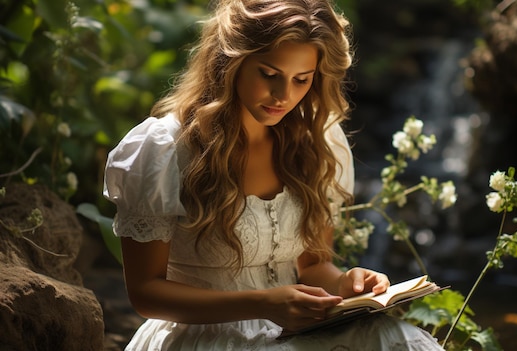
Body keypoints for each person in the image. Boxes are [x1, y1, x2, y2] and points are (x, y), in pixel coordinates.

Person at [103, 0, 444, 349]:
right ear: (230, 62)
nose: (284, 96)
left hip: (297, 332)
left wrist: (347, 284)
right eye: (269, 75)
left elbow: (312, 268)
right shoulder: (165, 148)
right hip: (206, 337)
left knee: (398, 339)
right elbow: (145, 293)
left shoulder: (317, 141)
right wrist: (263, 303)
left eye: (301, 80)